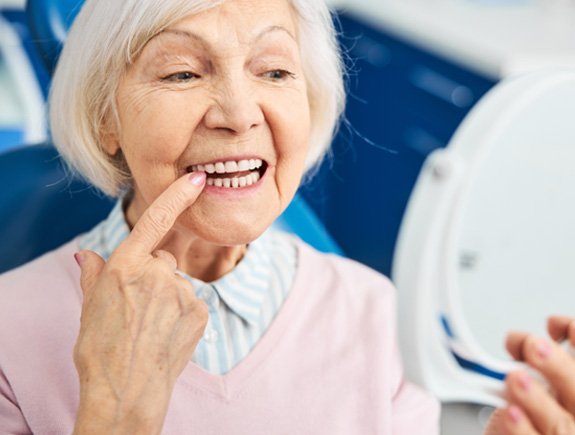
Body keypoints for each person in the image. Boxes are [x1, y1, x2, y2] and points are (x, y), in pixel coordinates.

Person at [0, 0, 573, 434]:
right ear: (106, 117)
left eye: (273, 72)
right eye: (182, 73)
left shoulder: (378, 318)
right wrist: (115, 414)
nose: (239, 114)